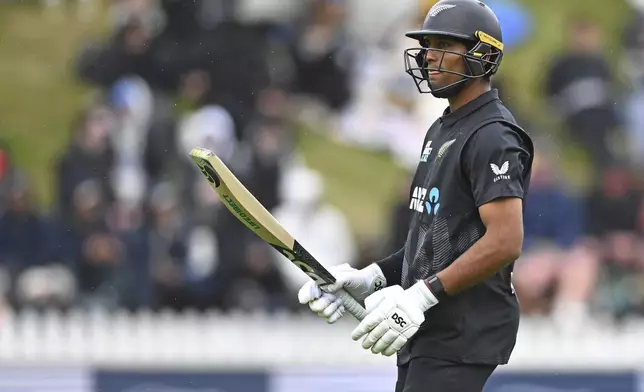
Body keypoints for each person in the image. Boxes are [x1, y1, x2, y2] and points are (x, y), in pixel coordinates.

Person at [297, 1, 534, 391]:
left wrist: (422, 296)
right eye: (429, 45)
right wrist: (371, 277)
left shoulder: (493, 134)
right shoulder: (441, 129)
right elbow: (432, 240)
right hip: (432, 329)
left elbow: (506, 240)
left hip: (462, 331)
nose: (430, 57)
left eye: (445, 45)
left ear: (482, 56)